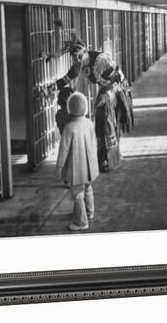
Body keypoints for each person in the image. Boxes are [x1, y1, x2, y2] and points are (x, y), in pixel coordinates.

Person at [56, 35, 133, 172]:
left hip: (117, 89)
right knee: (100, 122)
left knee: (106, 120)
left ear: (85, 52)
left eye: (80, 57)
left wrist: (106, 97)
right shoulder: (78, 66)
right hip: (105, 90)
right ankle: (103, 158)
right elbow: (65, 80)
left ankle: (110, 159)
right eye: (75, 59)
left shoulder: (101, 61)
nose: (78, 61)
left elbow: (117, 80)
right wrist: (47, 90)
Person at [55, 92, 99, 231]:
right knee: (88, 188)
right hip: (89, 165)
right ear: (85, 107)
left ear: (70, 108)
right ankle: (90, 212)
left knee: (77, 193)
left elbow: (63, 150)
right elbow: (94, 144)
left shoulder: (69, 127)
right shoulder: (89, 123)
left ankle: (81, 222)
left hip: (76, 167)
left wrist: (59, 167)